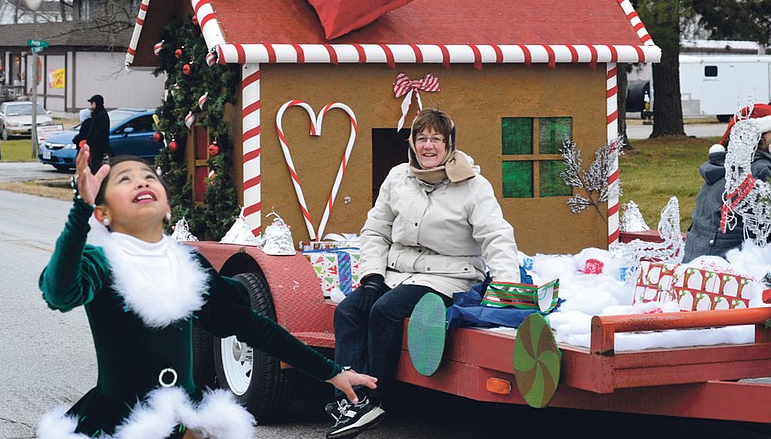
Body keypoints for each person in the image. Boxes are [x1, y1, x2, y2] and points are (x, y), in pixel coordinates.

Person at [37, 147, 377, 439]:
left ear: (168, 205)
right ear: (104, 213)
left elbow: (252, 326)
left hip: (185, 421)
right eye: (124, 179)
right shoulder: (100, 261)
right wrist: (79, 211)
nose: (141, 181)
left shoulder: (188, 264)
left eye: (149, 176)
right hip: (121, 423)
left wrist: (330, 370)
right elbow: (59, 292)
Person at [326, 108, 521, 439]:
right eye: (422, 139)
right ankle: (348, 398)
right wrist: (372, 276)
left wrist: (508, 290)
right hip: (397, 270)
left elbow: (496, 236)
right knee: (350, 310)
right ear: (412, 143)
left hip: (450, 274)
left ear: (449, 145)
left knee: (385, 312)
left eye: (436, 139)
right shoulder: (398, 177)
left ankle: (375, 399)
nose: (428, 146)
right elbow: (376, 230)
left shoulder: (473, 185)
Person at [683, 103, 771, 262]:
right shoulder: (760, 170)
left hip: (696, 262)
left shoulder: (720, 166)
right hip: (730, 271)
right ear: (760, 136)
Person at [83, 95, 110, 173]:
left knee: (96, 164)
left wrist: (91, 141)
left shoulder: (102, 115)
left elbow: (99, 132)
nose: (91, 105)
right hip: (94, 146)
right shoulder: (96, 114)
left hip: (98, 146)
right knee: (93, 164)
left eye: (92, 103)